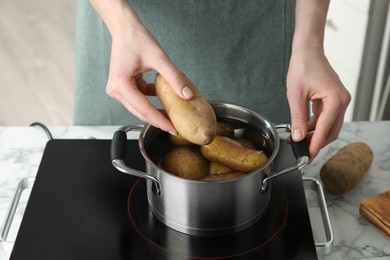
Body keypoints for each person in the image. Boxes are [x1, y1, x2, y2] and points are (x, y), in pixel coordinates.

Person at [74, 0, 351, 162]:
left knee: (270, 152)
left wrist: (310, 44)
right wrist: (121, 24)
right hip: (123, 34)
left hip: (255, 38)